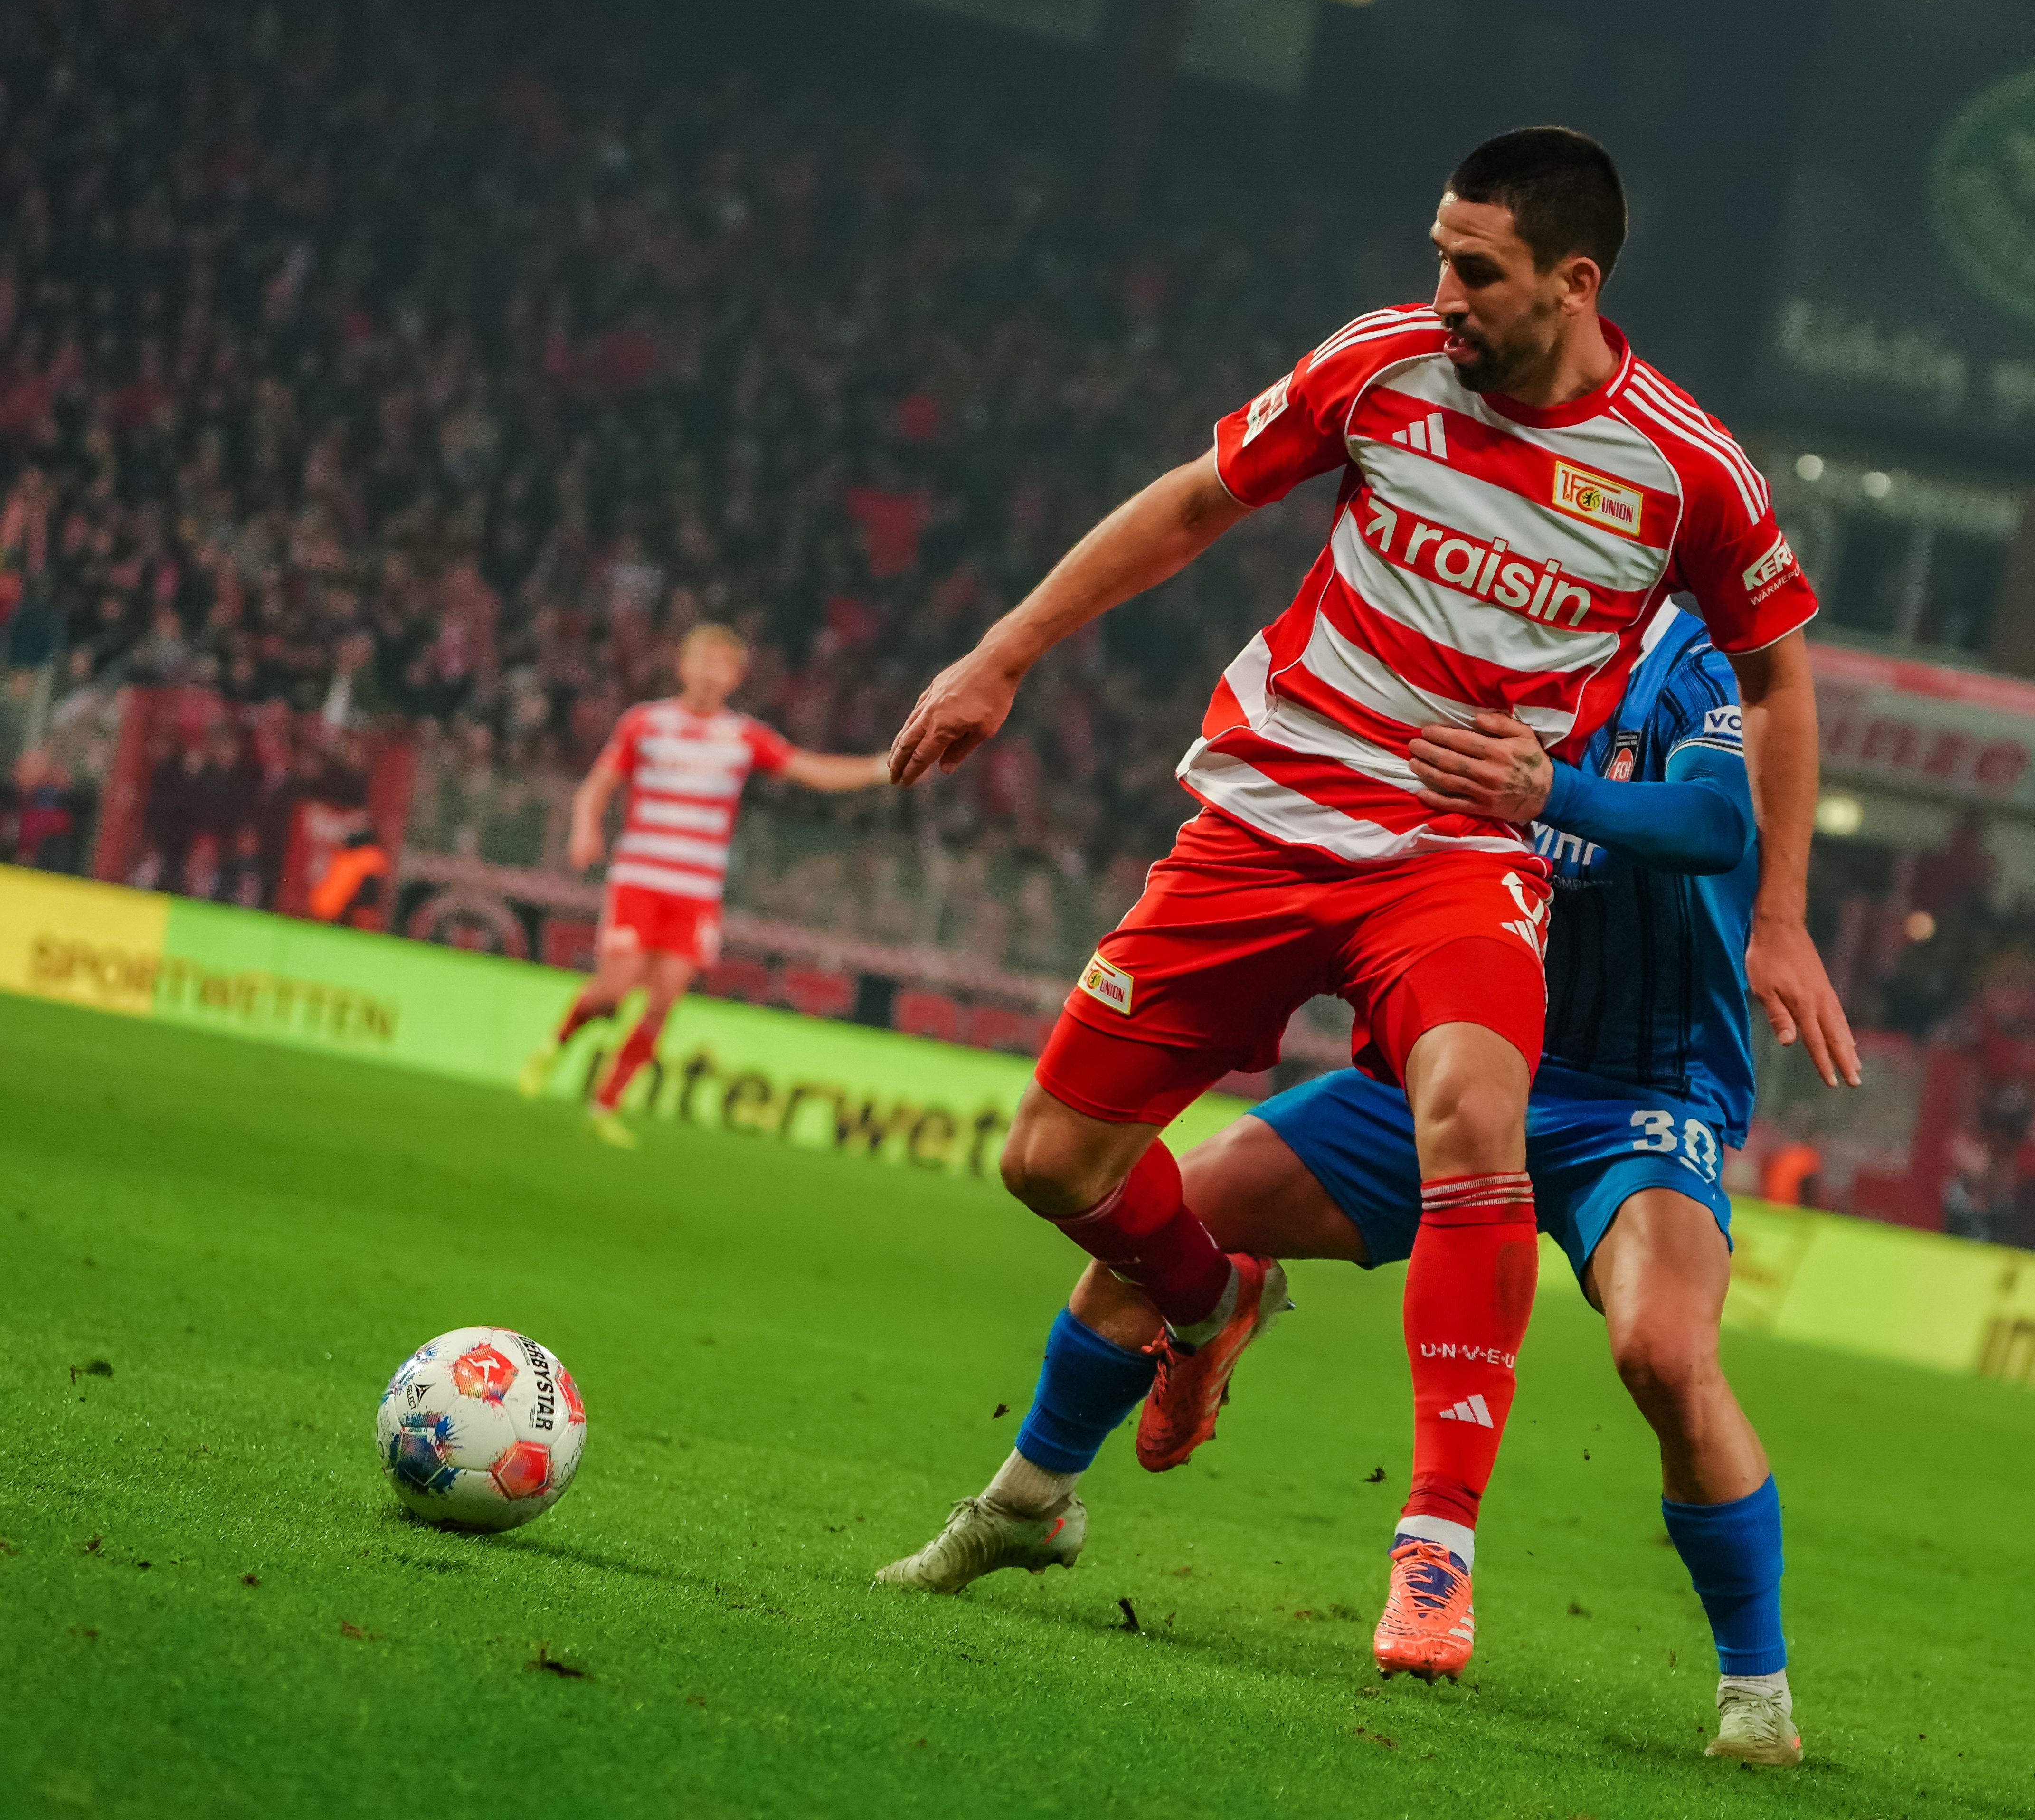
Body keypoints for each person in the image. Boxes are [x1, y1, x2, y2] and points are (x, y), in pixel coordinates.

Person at [879, 127, 1859, 1680]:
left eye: (1476, 268)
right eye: (1438, 258)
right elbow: (1194, 502)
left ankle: (1436, 1555)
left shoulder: (1687, 475)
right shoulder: (1380, 365)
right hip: (1267, 818)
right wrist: (1005, 654)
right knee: (1053, 1163)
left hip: (1459, 866)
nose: (1443, 292)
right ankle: (1202, 1315)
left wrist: (1780, 918)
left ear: (1574, 281)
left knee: (1483, 1124)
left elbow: (1778, 686)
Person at [878, 604, 1810, 1761]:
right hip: (1438, 1069)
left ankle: (1757, 1689)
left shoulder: (1690, 658)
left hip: (1633, 1096)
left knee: (1662, 1352)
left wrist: (1554, 793)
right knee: (1173, 1219)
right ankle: (1027, 1500)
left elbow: (1717, 822)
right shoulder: (1481, 620)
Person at [516, 624, 889, 1145]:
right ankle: (556, 1044)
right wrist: (585, 828)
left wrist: (880, 768)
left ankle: (606, 1105)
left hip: (696, 891)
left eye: (722, 665)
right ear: (682, 665)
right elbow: (598, 785)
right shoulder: (646, 722)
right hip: (641, 878)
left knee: (664, 999)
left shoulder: (743, 736)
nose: (711, 672)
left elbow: (811, 769)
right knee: (614, 990)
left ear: (737, 677)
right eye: (703, 660)